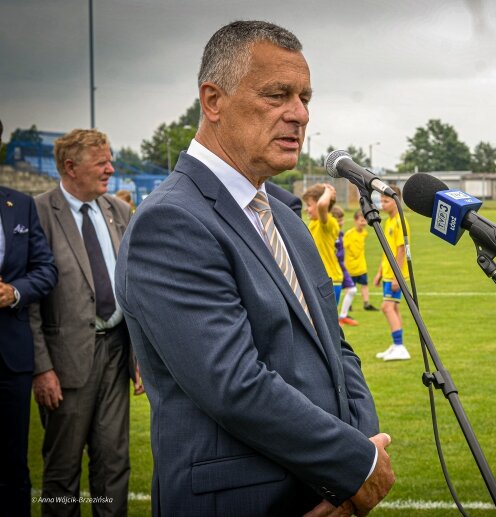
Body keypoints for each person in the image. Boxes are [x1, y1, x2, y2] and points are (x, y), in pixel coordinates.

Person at [114, 20, 394, 516]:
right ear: (213, 100)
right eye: (277, 94)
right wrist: (354, 465)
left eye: (305, 97)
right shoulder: (172, 221)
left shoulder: (284, 217)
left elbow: (337, 350)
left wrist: (361, 448)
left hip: (324, 487)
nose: (300, 114)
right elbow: (234, 382)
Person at [29, 128, 144, 516]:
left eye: (110, 160)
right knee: (62, 469)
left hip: (116, 352)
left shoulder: (119, 211)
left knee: (114, 462)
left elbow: (135, 289)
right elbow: (29, 302)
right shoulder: (39, 212)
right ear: (70, 167)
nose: (111, 169)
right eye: (102, 163)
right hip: (65, 362)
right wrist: (41, 368)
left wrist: (141, 354)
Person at [0, 119, 58, 517]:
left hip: (10, 360)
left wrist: (14, 292)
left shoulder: (20, 204)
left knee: (11, 467)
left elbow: (46, 271)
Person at [373, 186, 411, 362]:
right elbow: (387, 251)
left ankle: (400, 346)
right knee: (393, 307)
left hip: (395, 274)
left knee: (386, 307)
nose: (382, 204)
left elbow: (401, 251)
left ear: (396, 202)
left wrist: (397, 276)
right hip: (388, 273)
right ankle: (397, 345)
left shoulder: (399, 222)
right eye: (381, 201)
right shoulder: (388, 221)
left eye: (386, 201)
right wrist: (380, 272)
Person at [302, 183, 344, 302]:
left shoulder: (328, 223)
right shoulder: (313, 223)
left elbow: (322, 205)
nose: (306, 209)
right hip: (318, 280)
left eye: (309, 205)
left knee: (326, 320)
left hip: (329, 280)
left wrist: (328, 191)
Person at [344, 210, 378, 311]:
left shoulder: (364, 233)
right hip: (351, 266)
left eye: (364, 221)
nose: (363, 223)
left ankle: (366, 304)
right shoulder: (349, 234)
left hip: (361, 266)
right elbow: (344, 248)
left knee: (364, 284)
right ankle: (348, 305)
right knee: (350, 287)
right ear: (355, 221)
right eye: (361, 220)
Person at [332, 205, 359, 326]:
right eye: (338, 220)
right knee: (332, 297)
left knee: (352, 290)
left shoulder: (341, 234)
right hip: (333, 267)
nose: (341, 223)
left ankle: (342, 316)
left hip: (341, 266)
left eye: (342, 220)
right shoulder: (330, 233)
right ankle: (335, 318)